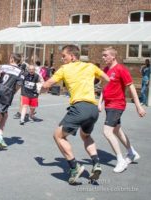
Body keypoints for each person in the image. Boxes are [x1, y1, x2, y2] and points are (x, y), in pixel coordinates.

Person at [42, 45, 109, 184]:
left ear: (72, 56)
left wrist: (40, 85)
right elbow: (108, 79)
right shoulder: (91, 66)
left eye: (64, 56)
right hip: (93, 108)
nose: (62, 58)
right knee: (86, 136)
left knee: (58, 135)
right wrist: (98, 88)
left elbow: (47, 84)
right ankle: (96, 163)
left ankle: (74, 167)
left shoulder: (65, 69)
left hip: (79, 107)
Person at [98, 46, 146, 173]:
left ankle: (121, 160)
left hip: (117, 105)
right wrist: (100, 102)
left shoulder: (121, 69)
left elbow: (131, 88)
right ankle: (131, 153)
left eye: (105, 55)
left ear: (113, 56)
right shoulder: (106, 69)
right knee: (117, 130)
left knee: (107, 131)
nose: (103, 58)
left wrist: (138, 106)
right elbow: (104, 87)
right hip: (108, 105)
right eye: (103, 55)